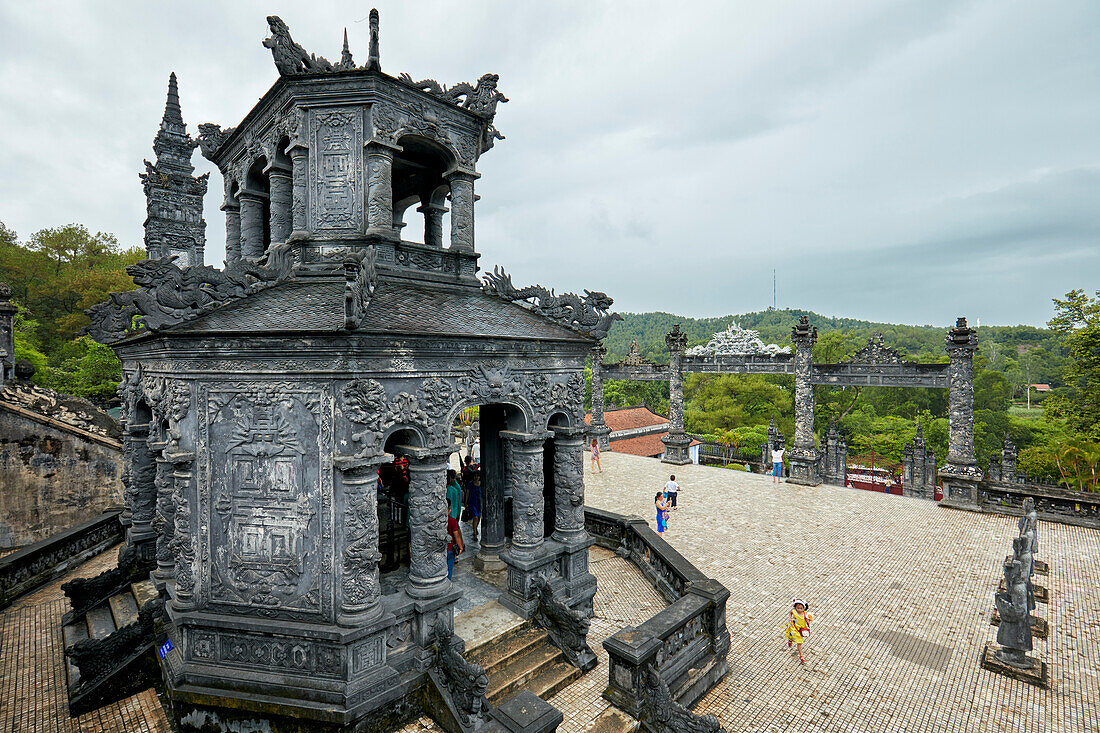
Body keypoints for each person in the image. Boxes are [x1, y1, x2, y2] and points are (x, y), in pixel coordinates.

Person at [785, 598, 813, 663]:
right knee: (798, 642)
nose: (799, 610)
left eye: (801, 608)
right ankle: (801, 655)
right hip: (794, 629)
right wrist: (790, 619)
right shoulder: (794, 612)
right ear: (795, 607)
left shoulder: (805, 614)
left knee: (799, 642)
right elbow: (790, 612)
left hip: (801, 630)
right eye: (798, 608)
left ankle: (791, 641)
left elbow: (807, 620)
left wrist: (808, 621)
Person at [446, 512, 464, 580]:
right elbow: (456, 535)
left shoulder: (436, 521)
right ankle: (448, 582)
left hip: (439, 549)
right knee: (449, 568)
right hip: (450, 549)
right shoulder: (452, 520)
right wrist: (460, 547)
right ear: (449, 509)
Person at [466, 471, 483, 542]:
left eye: (477, 476)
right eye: (475, 476)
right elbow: (467, 493)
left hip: (479, 503)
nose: (476, 477)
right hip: (472, 502)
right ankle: (475, 532)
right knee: (475, 517)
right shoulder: (470, 484)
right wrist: (466, 502)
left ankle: (475, 528)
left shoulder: (481, 484)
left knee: (478, 517)